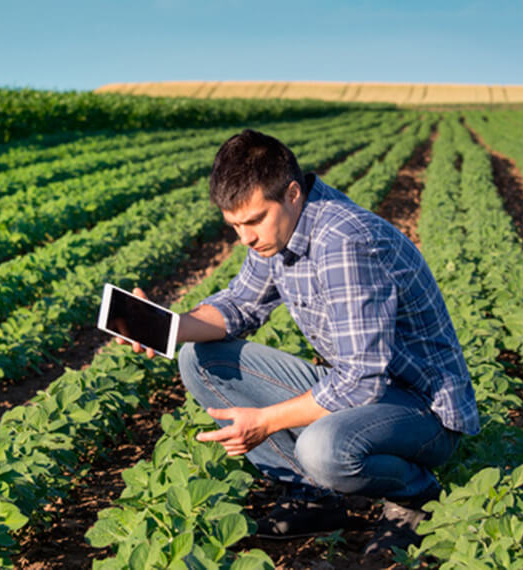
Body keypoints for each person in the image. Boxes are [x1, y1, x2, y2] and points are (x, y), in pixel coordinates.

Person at [119, 128, 479, 557]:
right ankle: (315, 497)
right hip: (367, 393)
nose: (246, 238)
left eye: (253, 221)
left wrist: (266, 421)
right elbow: (238, 305)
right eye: (235, 225)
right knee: (200, 359)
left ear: (292, 193)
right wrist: (167, 325)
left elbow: (362, 383)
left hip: (423, 411)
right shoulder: (280, 231)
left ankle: (414, 497)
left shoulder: (344, 242)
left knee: (323, 448)